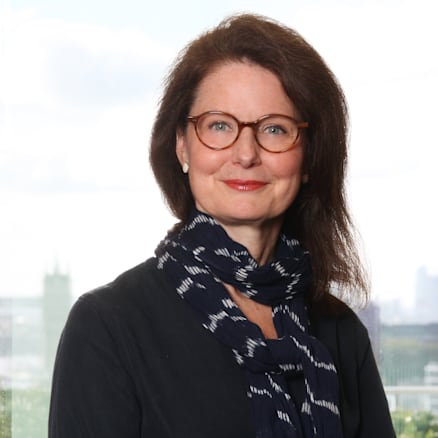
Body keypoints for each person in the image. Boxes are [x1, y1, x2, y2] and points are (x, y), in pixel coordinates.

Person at [49, 13, 395, 438]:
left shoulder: (340, 333)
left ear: (308, 158)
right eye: (218, 126)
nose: (245, 153)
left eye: (274, 128)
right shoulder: (108, 326)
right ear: (182, 146)